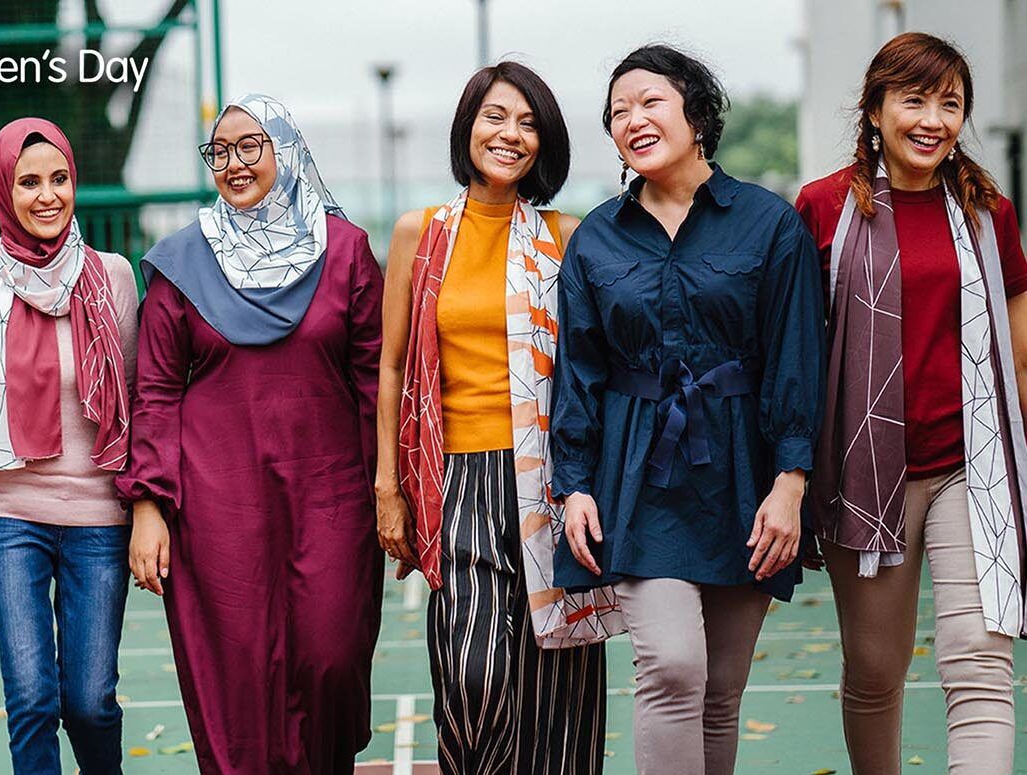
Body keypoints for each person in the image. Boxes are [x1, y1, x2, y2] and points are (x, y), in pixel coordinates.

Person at [550, 45, 824, 775]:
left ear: (696, 113)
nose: (632, 119)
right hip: (638, 475)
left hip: (745, 476)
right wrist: (572, 482)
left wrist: (790, 482)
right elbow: (579, 370)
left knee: (722, 691)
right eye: (617, 112)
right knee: (671, 669)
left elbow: (796, 358)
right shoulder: (596, 241)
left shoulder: (770, 224)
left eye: (650, 102)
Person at [118, 93, 383, 773]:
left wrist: (394, 492)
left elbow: (376, 382)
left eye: (250, 145)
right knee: (237, 677)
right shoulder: (181, 264)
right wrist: (149, 504)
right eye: (220, 151)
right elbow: (155, 390)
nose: (233, 163)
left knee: (330, 657)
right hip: (218, 506)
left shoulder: (345, 252)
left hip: (332, 498)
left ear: (287, 150)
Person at [376, 62, 616, 775]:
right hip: (456, 482)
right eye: (496, 117)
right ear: (468, 127)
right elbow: (390, 366)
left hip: (550, 479)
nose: (510, 135)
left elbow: (591, 365)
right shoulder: (420, 233)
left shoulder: (565, 238)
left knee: (557, 679)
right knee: (472, 675)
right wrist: (389, 487)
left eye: (528, 123)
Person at [796, 32, 1024, 775]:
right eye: (915, 99)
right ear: (876, 108)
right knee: (874, 672)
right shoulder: (824, 206)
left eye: (950, 103)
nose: (933, 119)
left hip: (971, 466)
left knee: (981, 664)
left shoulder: (989, 211)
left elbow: (1017, 346)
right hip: (865, 472)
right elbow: (799, 349)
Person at [0, 118, 138, 774]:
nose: (46, 194)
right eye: (28, 182)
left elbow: (139, 411)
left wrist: (148, 517)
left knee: (90, 701)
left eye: (59, 178)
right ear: (4, 189)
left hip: (99, 521)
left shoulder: (112, 276)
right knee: (30, 697)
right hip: (9, 519)